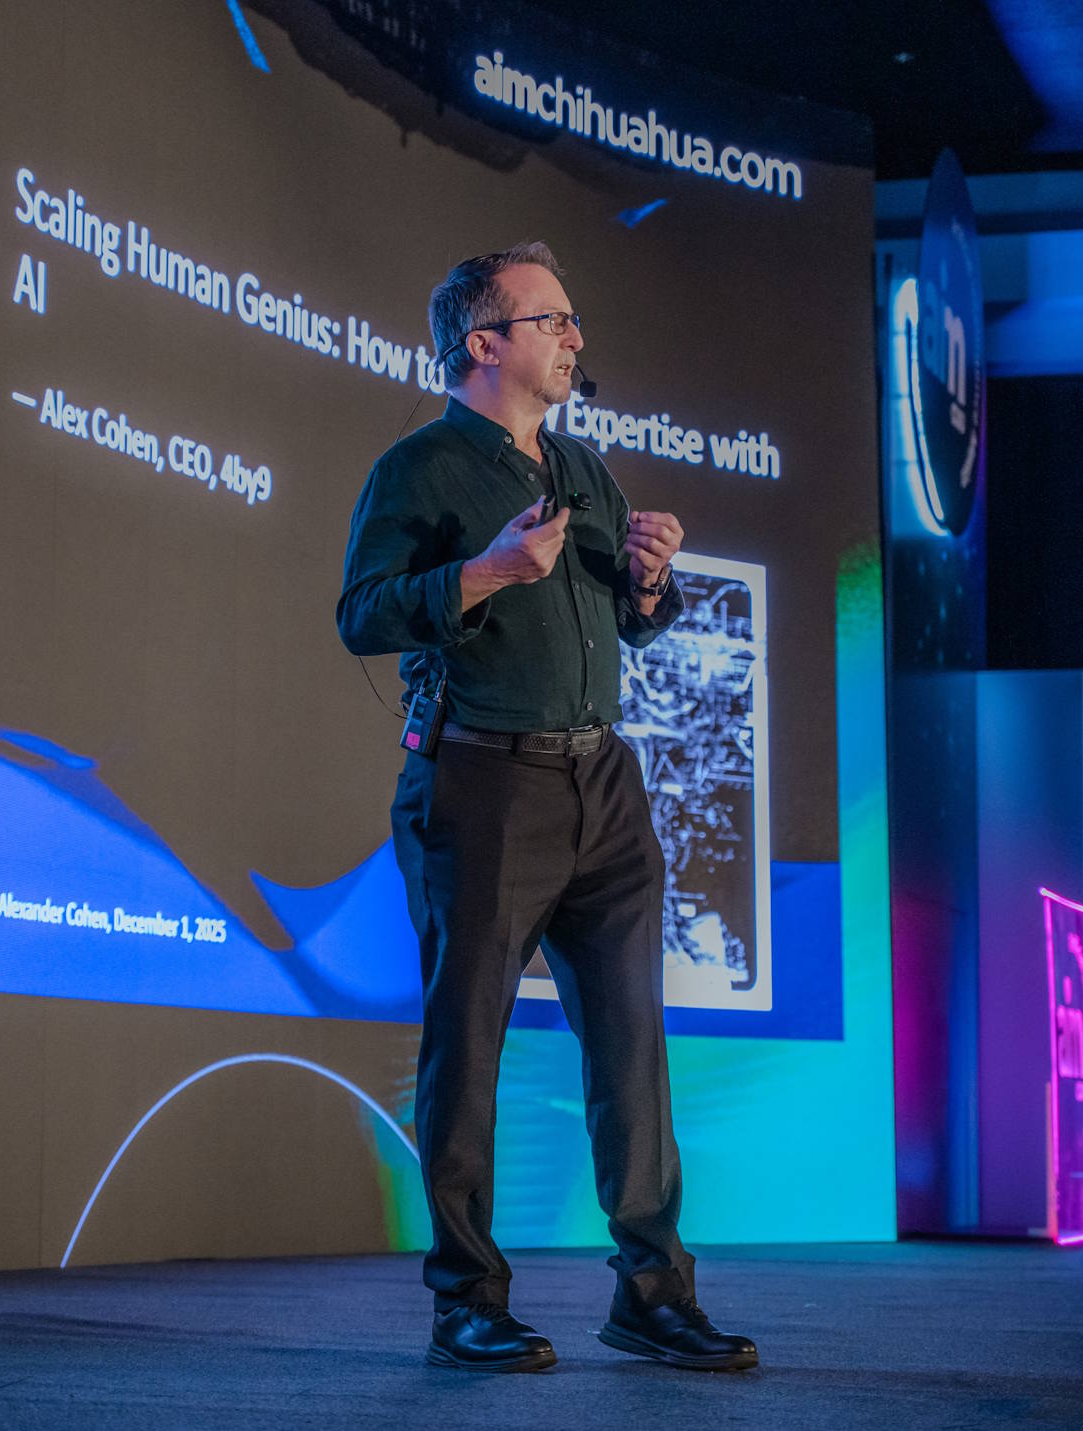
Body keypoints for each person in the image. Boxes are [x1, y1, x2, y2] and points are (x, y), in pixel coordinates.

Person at [337, 241, 758, 1374]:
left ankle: (652, 1294)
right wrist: (483, 572)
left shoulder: (581, 468)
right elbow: (362, 614)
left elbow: (628, 623)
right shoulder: (419, 468)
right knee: (466, 1043)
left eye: (571, 321)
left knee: (630, 1046)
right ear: (484, 343)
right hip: (480, 780)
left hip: (602, 785)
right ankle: (467, 1299)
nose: (575, 337)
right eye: (552, 320)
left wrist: (651, 579)